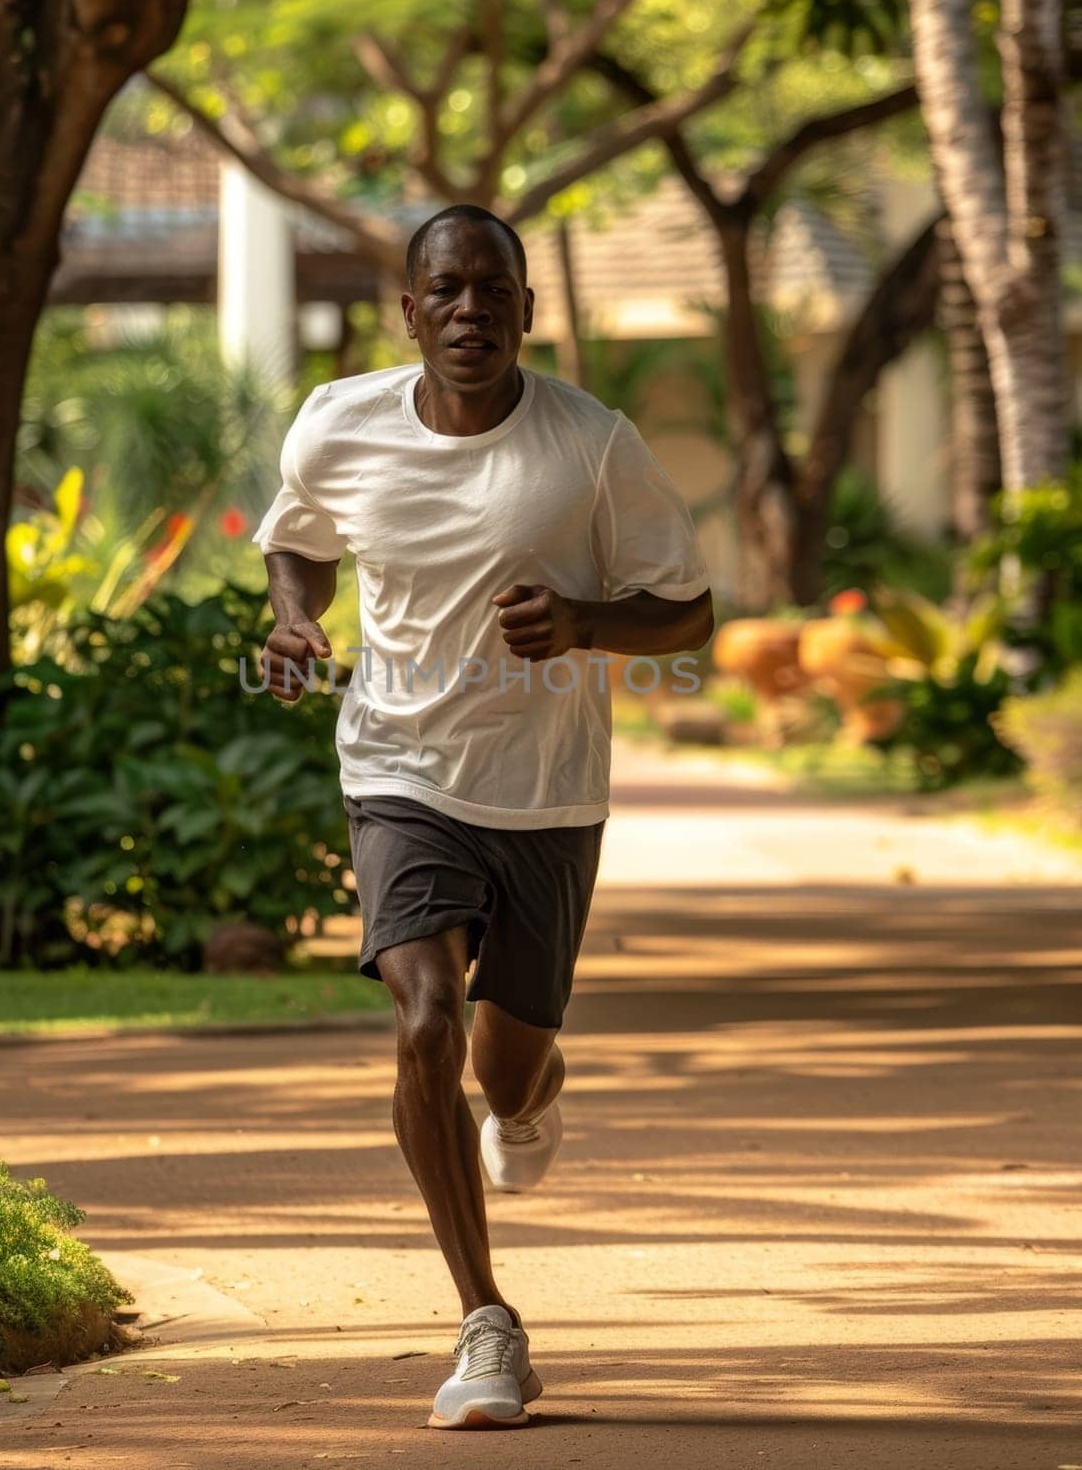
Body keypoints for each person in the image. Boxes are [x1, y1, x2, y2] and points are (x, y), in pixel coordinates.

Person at [253, 203, 712, 1429]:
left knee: (502, 1074)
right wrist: (296, 617)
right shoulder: (339, 424)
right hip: (397, 766)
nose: (468, 311)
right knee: (423, 1021)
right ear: (408, 312)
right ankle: (486, 1322)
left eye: (490, 291)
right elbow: (293, 544)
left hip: (547, 792)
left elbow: (687, 613)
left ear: (525, 308)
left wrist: (584, 621)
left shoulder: (591, 447)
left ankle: (531, 1094)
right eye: (442, 292)